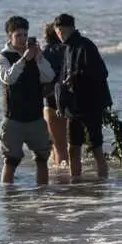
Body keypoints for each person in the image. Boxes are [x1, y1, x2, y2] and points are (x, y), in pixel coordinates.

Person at [0, 16, 55, 185]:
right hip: (13, 119)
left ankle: (42, 197)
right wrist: (23, 60)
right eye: (18, 35)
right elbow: (8, 78)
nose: (22, 39)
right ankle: (8, 200)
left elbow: (49, 76)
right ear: (10, 37)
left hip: (35, 117)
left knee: (42, 159)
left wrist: (39, 58)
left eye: (25, 35)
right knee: (11, 161)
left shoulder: (34, 56)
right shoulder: (4, 57)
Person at [54, 13, 113, 180]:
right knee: (73, 147)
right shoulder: (67, 49)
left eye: (61, 31)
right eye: (58, 32)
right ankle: (76, 182)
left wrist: (77, 76)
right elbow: (62, 79)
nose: (60, 35)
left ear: (70, 28)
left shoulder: (85, 46)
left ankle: (102, 181)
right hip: (73, 108)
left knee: (96, 147)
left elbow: (102, 73)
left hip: (91, 105)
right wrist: (61, 104)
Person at [41, 23, 69, 168]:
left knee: (57, 147)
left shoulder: (43, 53)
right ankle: (65, 178)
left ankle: (62, 183)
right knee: (66, 146)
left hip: (50, 102)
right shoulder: (68, 50)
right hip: (68, 102)